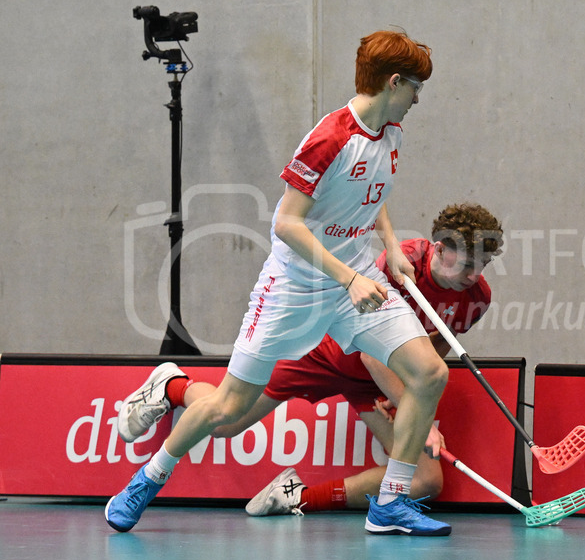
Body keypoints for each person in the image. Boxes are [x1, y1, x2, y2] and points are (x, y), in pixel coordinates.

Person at [106, 29, 458, 536]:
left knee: (429, 374)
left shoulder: (392, 132)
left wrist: (388, 248)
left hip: (357, 280)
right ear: (394, 82)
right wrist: (348, 277)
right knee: (228, 407)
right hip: (295, 287)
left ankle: (390, 503)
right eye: (416, 87)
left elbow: (370, 192)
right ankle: (148, 476)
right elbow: (286, 223)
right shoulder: (329, 138)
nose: (419, 98)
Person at [115, 203, 503, 517]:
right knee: (225, 424)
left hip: (372, 383)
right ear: (439, 248)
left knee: (425, 481)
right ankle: (172, 385)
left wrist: (405, 393)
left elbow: (437, 345)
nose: (473, 275)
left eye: (482, 266)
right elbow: (370, 351)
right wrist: (409, 402)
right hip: (327, 352)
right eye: (466, 263)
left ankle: (297, 497)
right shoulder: (401, 265)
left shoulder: (477, 298)